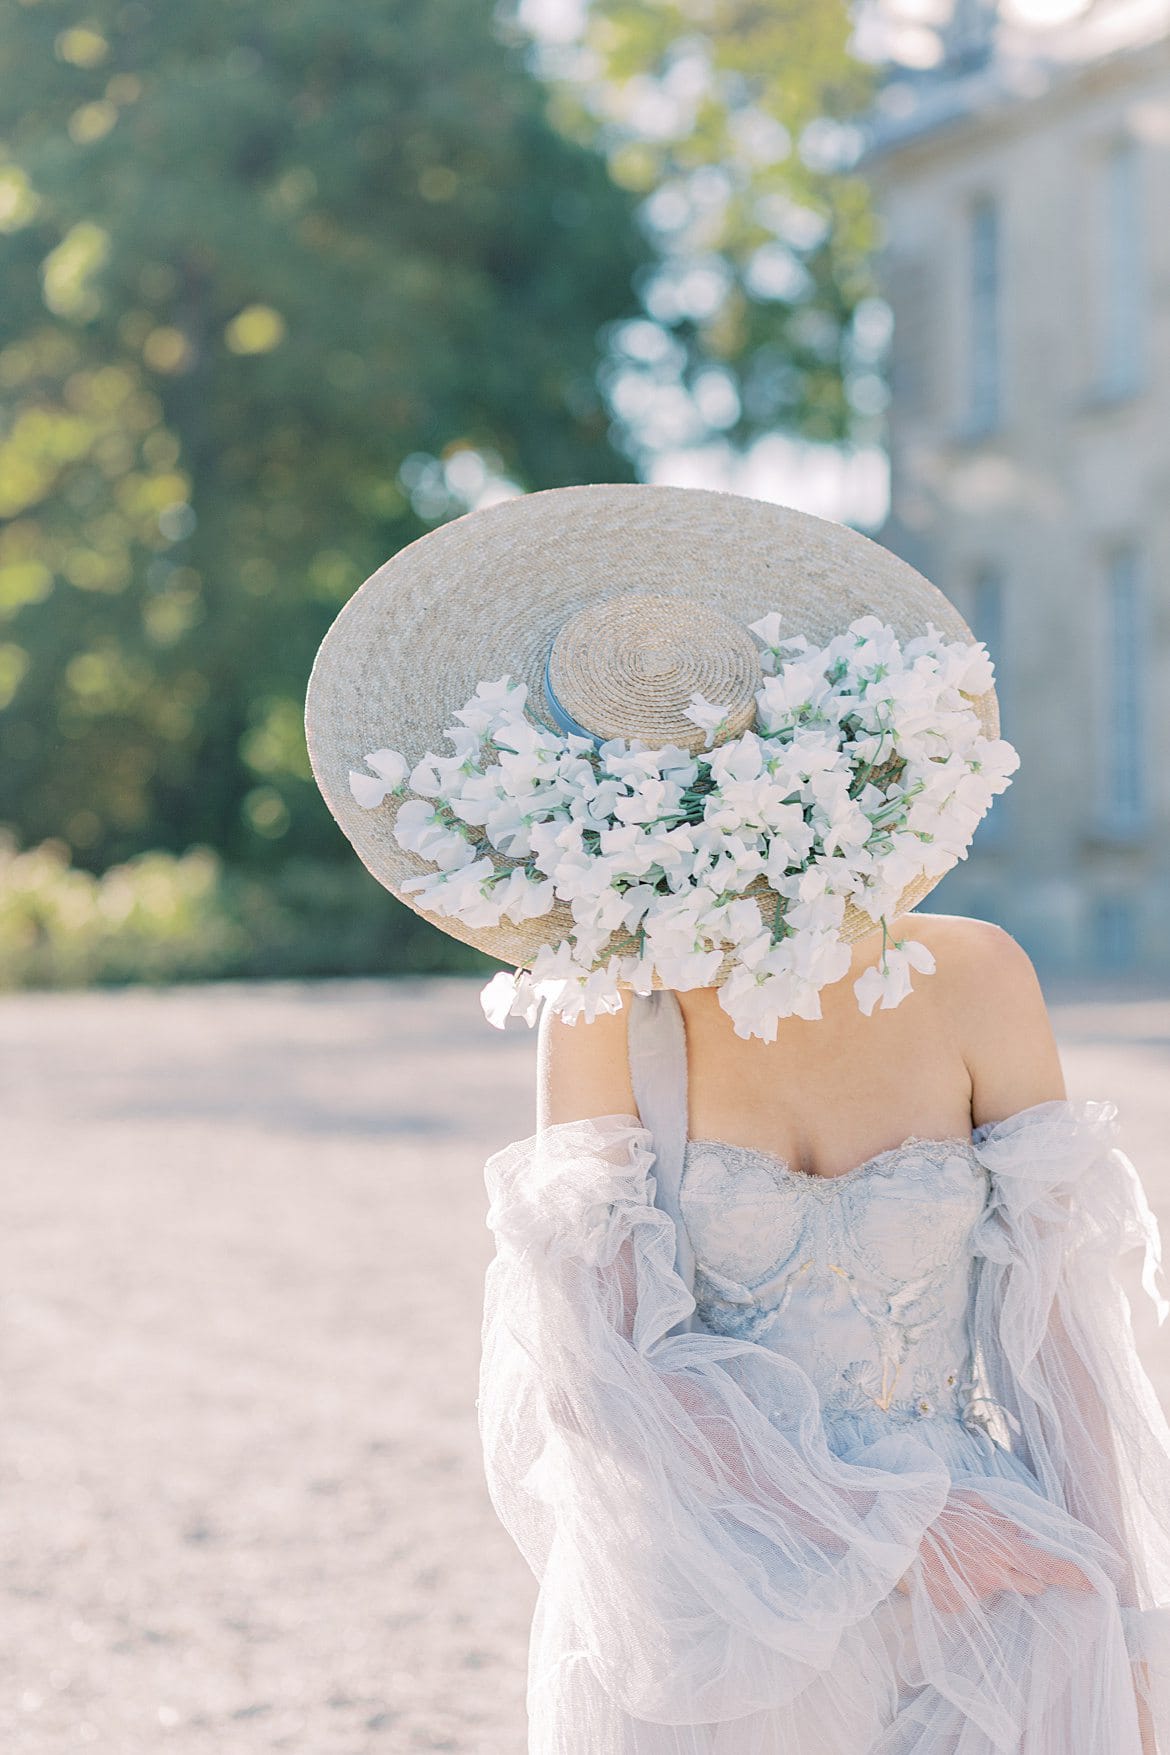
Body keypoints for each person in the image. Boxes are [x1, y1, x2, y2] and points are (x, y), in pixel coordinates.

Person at [306, 483, 1170, 1753]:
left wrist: (1123, 1619)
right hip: (729, 1592)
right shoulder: (607, 1014)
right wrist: (895, 1531)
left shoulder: (976, 976)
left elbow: (1066, 1343)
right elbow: (596, 1379)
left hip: (995, 1580)